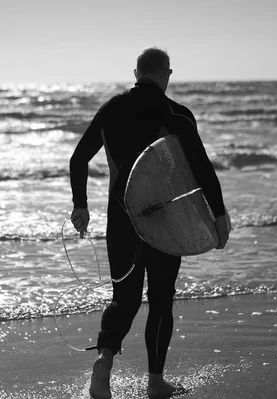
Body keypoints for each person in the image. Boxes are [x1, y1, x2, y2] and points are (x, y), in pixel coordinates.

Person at [69, 47, 230, 398]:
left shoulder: (111, 109)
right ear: (167, 75)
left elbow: (78, 158)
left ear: (136, 73)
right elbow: (200, 168)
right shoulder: (175, 113)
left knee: (122, 301)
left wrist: (80, 206)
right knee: (160, 299)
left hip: (121, 219)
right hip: (165, 219)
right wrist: (218, 214)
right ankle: (155, 382)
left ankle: (104, 362)